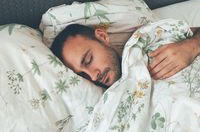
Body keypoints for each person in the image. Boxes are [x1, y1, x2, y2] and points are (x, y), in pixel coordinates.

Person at [51, 23, 200, 88]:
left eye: (88, 60)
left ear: (102, 37)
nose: (93, 77)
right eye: (82, 75)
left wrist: (192, 46)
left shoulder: (148, 37)